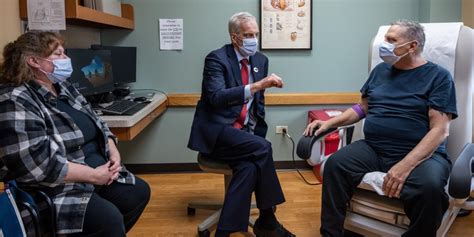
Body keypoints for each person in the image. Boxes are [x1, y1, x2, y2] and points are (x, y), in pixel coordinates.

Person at [304, 20, 457, 237]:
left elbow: (439, 130)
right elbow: (362, 108)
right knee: (335, 165)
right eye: (385, 38)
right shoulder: (380, 71)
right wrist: (330, 123)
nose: (383, 45)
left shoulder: (438, 77)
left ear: (412, 46)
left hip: (423, 155)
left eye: (391, 40)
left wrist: (405, 165)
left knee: (429, 188)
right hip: (375, 148)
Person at [0, 31, 150, 236]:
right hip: (56, 187)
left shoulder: (64, 87)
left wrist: (113, 149)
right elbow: (38, 164)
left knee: (138, 193)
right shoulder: (15, 99)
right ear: (34, 61)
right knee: (109, 220)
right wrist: (94, 176)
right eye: (58, 54)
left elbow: (97, 121)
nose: (66, 59)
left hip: (96, 171)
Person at [188, 12, 295, 237]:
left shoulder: (260, 60)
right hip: (218, 133)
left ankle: (225, 231)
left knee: (248, 167)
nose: (253, 39)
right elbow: (216, 97)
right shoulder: (216, 59)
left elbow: (258, 104)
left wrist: (256, 132)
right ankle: (267, 219)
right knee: (263, 148)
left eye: (256, 34)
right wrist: (257, 85)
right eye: (248, 34)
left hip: (243, 134)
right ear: (234, 37)